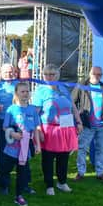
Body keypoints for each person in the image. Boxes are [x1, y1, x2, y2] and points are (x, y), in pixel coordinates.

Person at [33, 64, 82, 196]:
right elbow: (35, 113)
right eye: (46, 74)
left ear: (57, 75)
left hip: (66, 128)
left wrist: (79, 121)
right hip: (49, 129)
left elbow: (73, 107)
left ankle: (62, 182)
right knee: (48, 158)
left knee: (63, 157)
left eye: (52, 74)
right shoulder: (40, 91)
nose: (49, 77)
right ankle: (49, 184)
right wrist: (38, 130)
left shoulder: (63, 88)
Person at [0, 81, 41, 206]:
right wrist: (13, 134)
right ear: (17, 93)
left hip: (25, 147)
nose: (25, 94)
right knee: (4, 170)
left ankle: (18, 195)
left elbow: (35, 128)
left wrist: (37, 145)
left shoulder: (33, 109)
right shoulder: (11, 109)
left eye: (27, 91)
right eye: (22, 92)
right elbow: (4, 127)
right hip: (12, 147)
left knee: (22, 171)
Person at [72, 66, 103, 183]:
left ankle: (100, 173)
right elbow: (72, 101)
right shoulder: (82, 85)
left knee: (100, 149)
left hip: (102, 126)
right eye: (95, 74)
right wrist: (78, 119)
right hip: (87, 125)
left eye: (100, 74)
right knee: (82, 149)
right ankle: (81, 173)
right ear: (90, 73)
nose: (97, 76)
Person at [0, 63, 18, 193]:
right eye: (6, 72)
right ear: (1, 73)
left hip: (17, 122)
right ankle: (4, 184)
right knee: (3, 153)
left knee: (18, 153)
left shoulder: (19, 85)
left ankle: (23, 182)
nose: (9, 74)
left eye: (11, 71)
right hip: (1, 123)